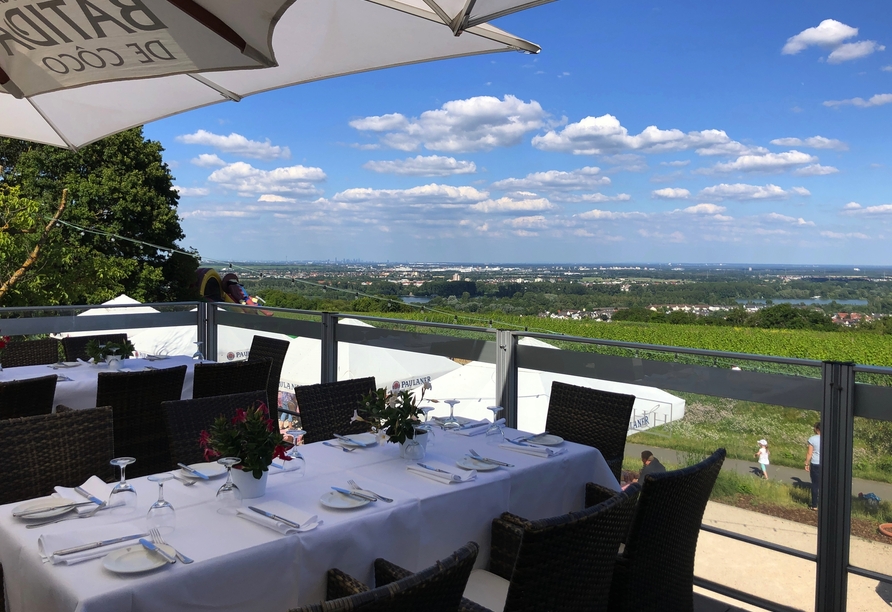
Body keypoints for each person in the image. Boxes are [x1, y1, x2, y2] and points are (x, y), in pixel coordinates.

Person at [805, 422, 821, 510]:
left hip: (815, 463)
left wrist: (806, 463)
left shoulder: (812, 439)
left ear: (816, 429)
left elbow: (809, 453)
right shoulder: (829, 438)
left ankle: (814, 505)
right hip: (826, 464)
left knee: (815, 484)